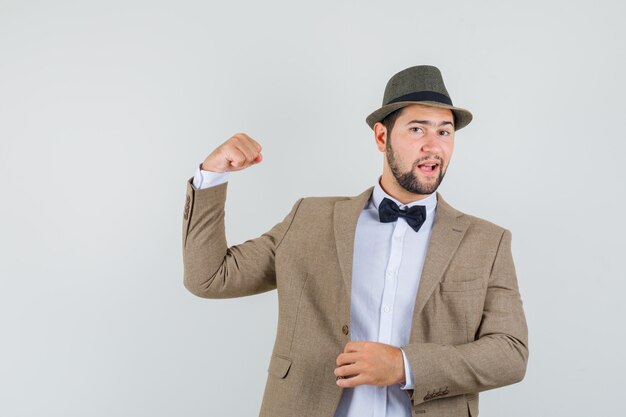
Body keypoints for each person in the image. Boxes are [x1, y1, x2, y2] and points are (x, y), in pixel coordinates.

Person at [182, 65, 528, 417]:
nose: (433, 145)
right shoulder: (310, 220)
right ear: (381, 137)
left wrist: (404, 365)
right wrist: (213, 175)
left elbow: (510, 352)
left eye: (444, 131)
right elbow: (209, 278)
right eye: (417, 129)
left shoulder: (487, 242)